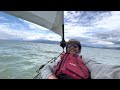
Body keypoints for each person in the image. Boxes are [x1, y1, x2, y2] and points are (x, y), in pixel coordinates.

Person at [40, 39, 120, 79]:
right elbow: (46, 68)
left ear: (79, 49)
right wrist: (50, 76)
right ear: (66, 48)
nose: (72, 48)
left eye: (75, 46)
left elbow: (98, 68)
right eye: (69, 46)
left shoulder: (84, 59)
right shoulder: (61, 60)